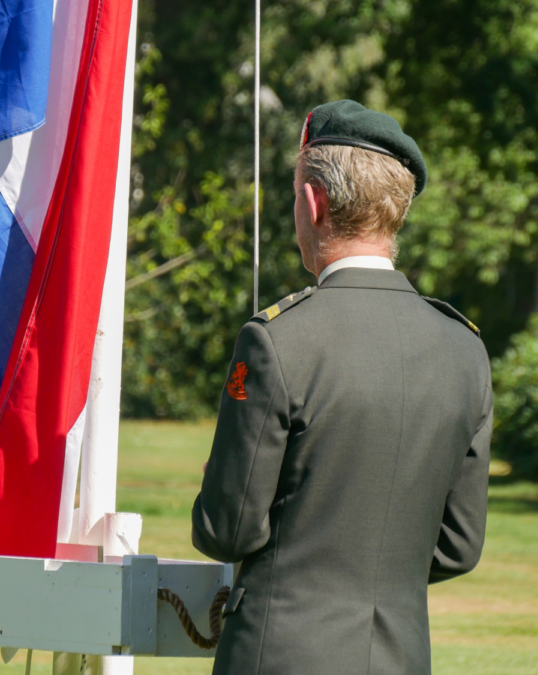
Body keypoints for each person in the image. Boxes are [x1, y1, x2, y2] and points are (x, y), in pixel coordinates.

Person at [192, 100, 492, 674]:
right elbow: (458, 545)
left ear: (314, 201)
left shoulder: (277, 340)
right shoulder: (465, 349)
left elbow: (226, 529)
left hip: (279, 656)